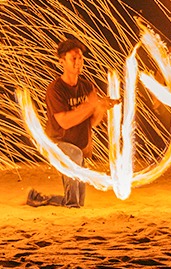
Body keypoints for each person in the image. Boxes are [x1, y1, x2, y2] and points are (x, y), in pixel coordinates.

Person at [27, 36, 114, 208]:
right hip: (58, 144)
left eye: (80, 57)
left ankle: (37, 198)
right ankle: (70, 207)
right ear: (62, 61)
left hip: (78, 148)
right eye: (73, 58)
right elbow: (64, 122)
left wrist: (101, 109)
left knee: (77, 200)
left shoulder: (88, 87)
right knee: (73, 156)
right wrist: (90, 106)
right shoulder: (55, 89)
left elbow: (92, 123)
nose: (78, 62)